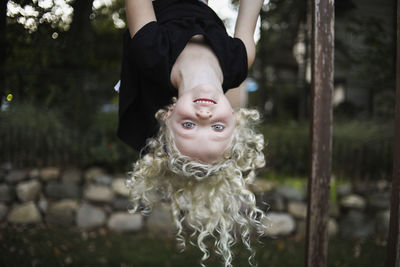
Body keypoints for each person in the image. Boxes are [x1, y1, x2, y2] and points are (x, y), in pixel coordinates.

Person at [118, 0, 266, 266]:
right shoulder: (239, 62)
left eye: (188, 125)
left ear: (168, 114)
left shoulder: (151, 51)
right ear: (234, 119)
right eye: (217, 128)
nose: (204, 117)